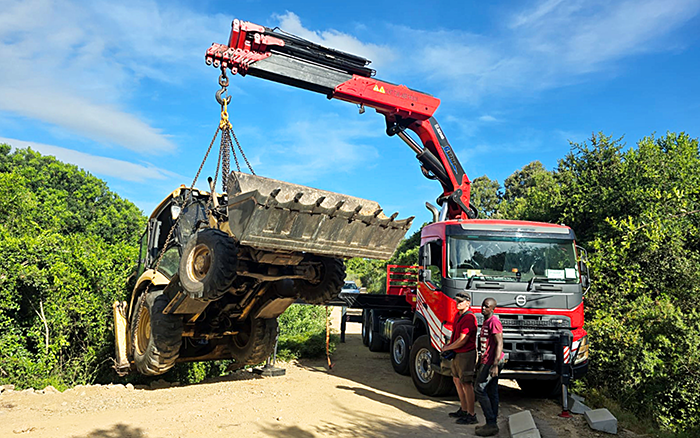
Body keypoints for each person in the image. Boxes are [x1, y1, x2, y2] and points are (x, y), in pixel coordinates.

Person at [441, 292, 478, 425]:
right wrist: (450, 346)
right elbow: (456, 335)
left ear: (468, 303)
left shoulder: (469, 318)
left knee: (467, 383)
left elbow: (463, 340)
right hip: (457, 353)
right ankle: (463, 409)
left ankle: (471, 414)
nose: (458, 303)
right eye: (457, 301)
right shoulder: (458, 315)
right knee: (457, 380)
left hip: (466, 354)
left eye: (461, 301)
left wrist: (448, 348)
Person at [474, 297, 504, 436]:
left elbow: (499, 343)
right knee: (492, 391)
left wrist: (495, 364)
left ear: (493, 309)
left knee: (479, 389)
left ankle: (491, 422)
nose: (483, 309)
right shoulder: (487, 321)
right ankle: (492, 424)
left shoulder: (494, 322)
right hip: (486, 360)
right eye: (482, 306)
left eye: (486, 306)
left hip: (492, 362)